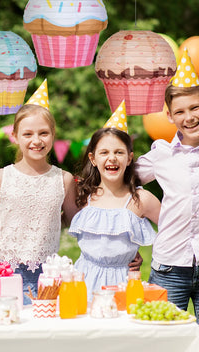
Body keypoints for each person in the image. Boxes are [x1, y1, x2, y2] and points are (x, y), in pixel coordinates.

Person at [0, 80, 78, 304]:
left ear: (53, 135)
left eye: (43, 133)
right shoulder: (0, 178)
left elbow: (74, 222)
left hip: (47, 275)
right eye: (28, 134)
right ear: (15, 136)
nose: (36, 140)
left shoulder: (64, 179)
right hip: (5, 274)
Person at [69, 101, 160, 300]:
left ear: (129, 158)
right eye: (104, 152)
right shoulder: (83, 196)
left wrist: (141, 257)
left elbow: (173, 231)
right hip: (83, 280)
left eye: (119, 152)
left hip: (123, 283)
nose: (112, 158)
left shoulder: (141, 200)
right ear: (93, 159)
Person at [135, 49, 199, 320]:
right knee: (162, 338)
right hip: (170, 267)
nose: (190, 117)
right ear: (170, 117)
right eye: (180, 111)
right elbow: (120, 181)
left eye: (196, 107)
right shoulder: (161, 153)